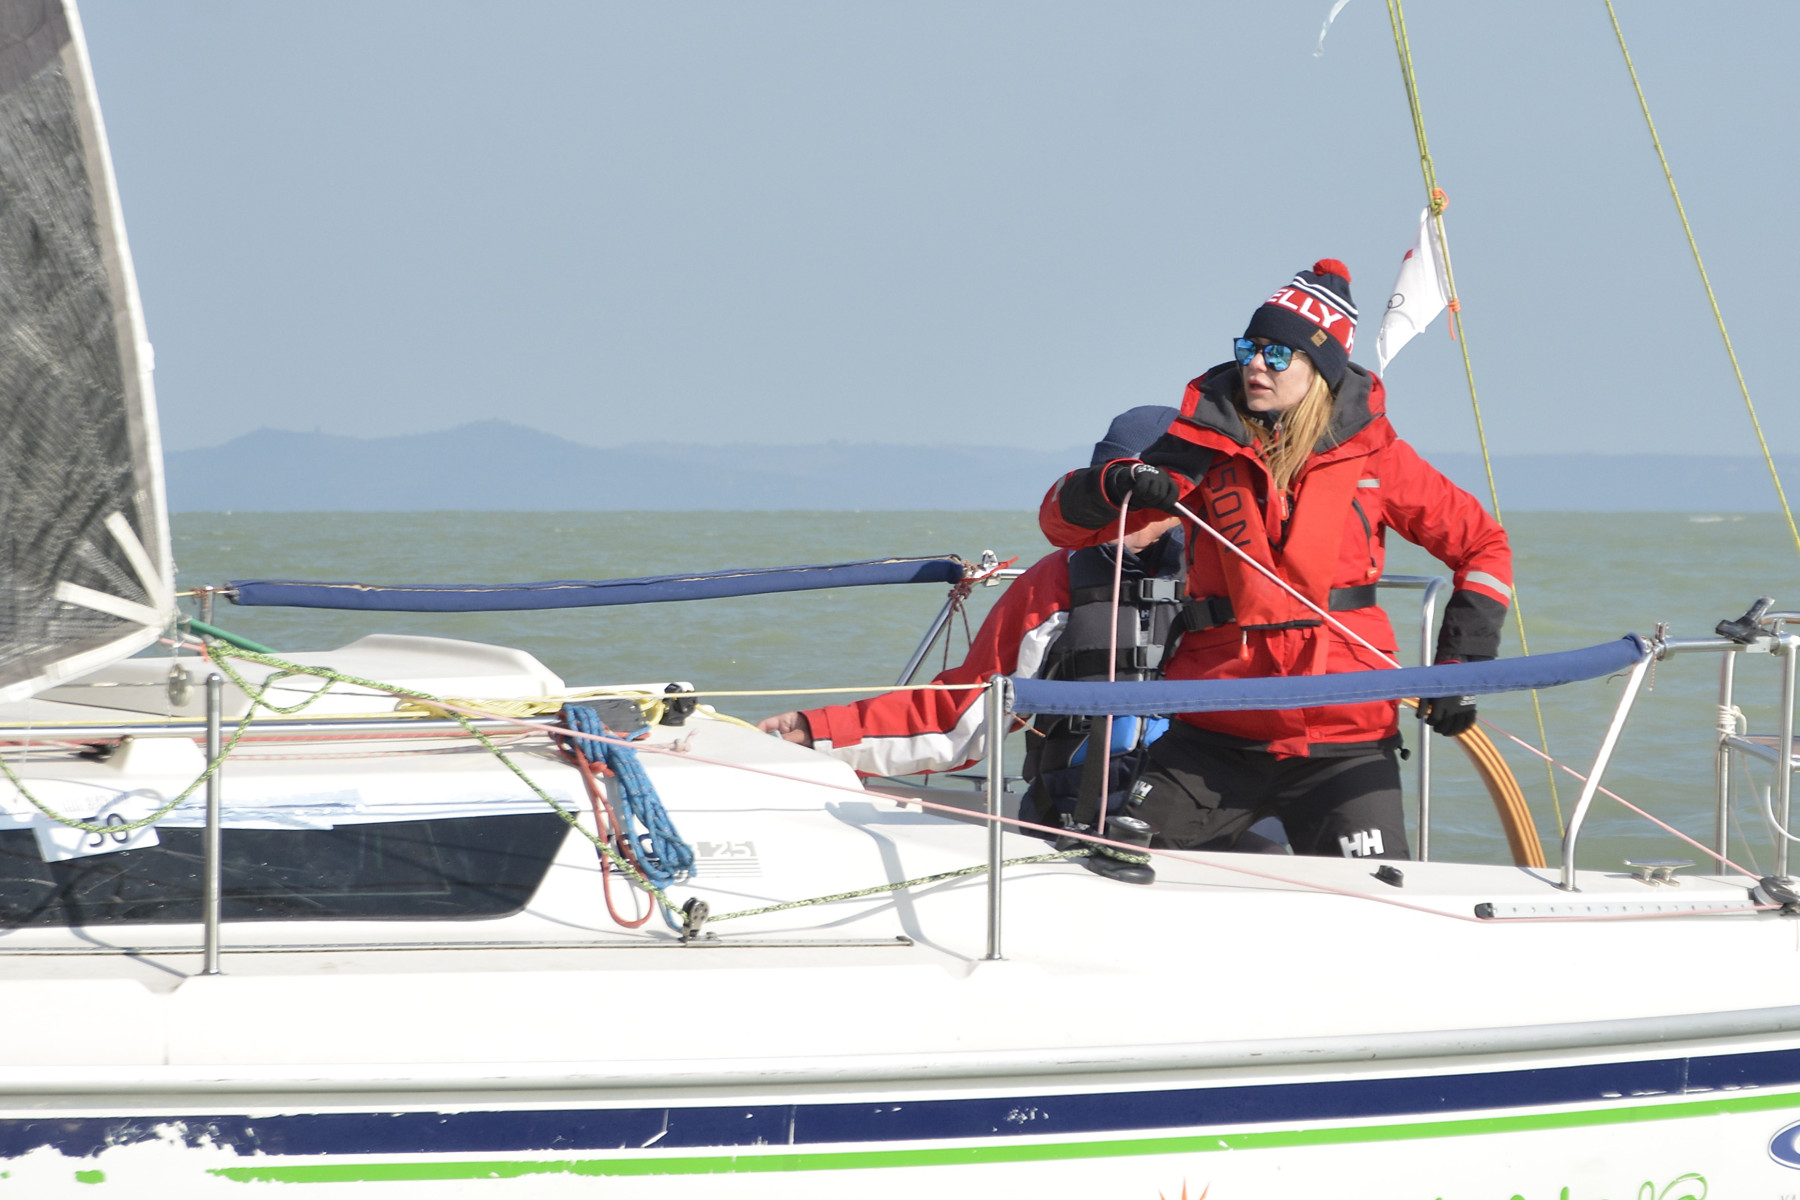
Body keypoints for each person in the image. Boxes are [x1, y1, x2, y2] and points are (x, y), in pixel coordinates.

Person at [1038, 259, 1512, 860]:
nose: (1256, 365)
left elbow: (1483, 545)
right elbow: (1063, 526)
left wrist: (1458, 669)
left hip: (1345, 737)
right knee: (1115, 866)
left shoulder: (1380, 458)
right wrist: (1113, 484)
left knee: (1376, 898)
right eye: (1249, 348)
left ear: (1320, 370)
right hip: (1214, 731)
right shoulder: (1199, 445)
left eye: (1278, 354)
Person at [760, 407, 1213, 837]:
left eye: (1135, 498)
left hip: (1207, 820)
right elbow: (961, 715)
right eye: (1103, 495)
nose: (1113, 514)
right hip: (1072, 823)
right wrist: (819, 731)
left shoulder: (1231, 583)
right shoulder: (1058, 581)